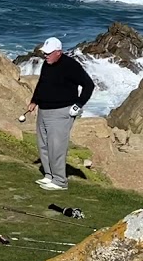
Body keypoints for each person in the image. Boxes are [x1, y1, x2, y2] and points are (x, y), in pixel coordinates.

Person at [26, 37, 95, 191]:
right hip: (44, 110)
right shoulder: (47, 63)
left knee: (56, 147)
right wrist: (34, 101)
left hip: (62, 112)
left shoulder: (71, 66)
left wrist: (79, 105)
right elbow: (42, 83)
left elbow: (89, 85)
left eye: (49, 53)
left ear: (59, 52)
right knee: (43, 145)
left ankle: (60, 181)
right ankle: (49, 175)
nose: (46, 56)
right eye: (45, 53)